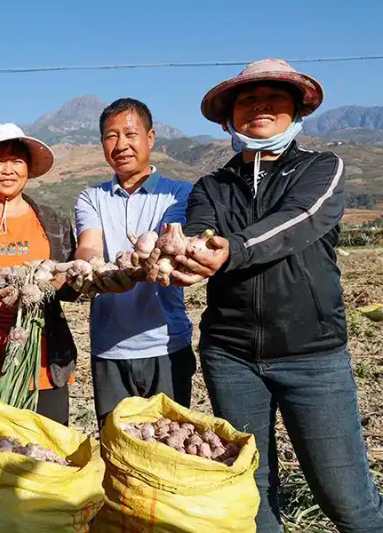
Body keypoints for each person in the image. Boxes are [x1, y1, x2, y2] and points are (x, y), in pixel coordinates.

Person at [172, 59, 383, 532]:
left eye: (274, 98)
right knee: (253, 492)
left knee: (347, 498)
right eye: (247, 99)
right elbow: (199, 235)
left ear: (296, 111)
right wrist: (186, 259)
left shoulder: (321, 168)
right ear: (230, 117)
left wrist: (234, 248)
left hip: (313, 356)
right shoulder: (212, 185)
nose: (260, 106)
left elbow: (299, 219)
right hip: (231, 356)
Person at [74, 98, 196, 428]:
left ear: (151, 138)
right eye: (111, 136)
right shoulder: (91, 198)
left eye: (130, 134)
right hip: (109, 348)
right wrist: (91, 270)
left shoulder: (180, 194)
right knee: (117, 452)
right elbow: (88, 246)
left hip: (166, 345)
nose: (121, 145)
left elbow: (171, 247)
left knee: (171, 446)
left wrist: (142, 268)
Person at [0, 123, 77, 425]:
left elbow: (73, 288)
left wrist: (63, 280)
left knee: (49, 454)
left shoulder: (54, 221)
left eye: (17, 161)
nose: (8, 169)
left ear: (29, 169)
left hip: (45, 359)